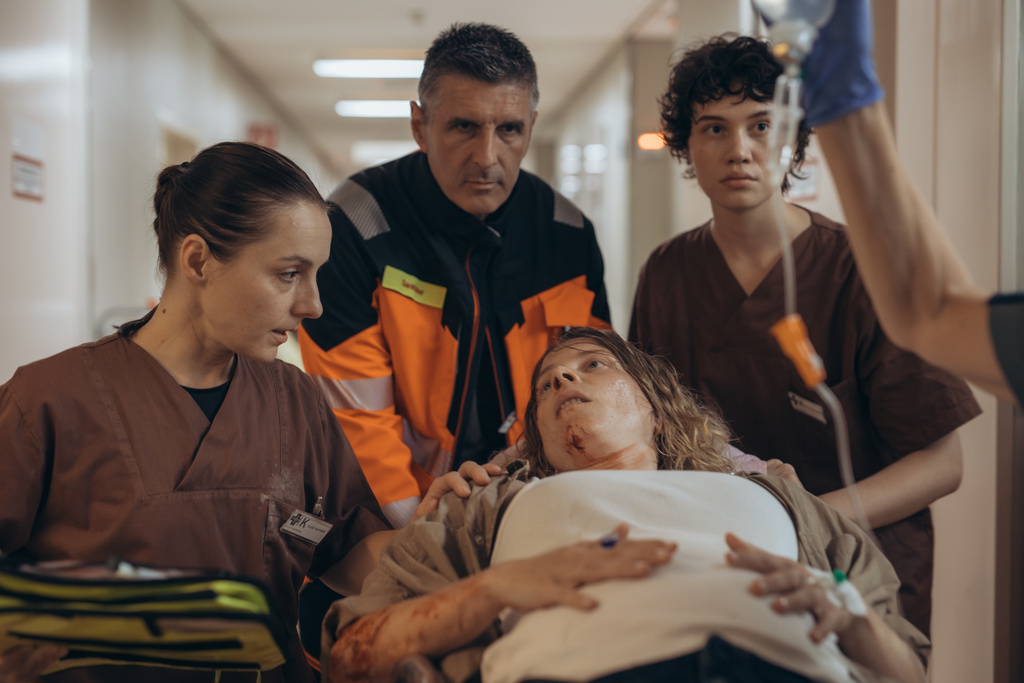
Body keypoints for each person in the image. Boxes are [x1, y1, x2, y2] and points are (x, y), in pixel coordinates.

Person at [320, 327, 928, 683]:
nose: (563, 381)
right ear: (539, 437)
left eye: (593, 366)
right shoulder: (489, 508)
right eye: (546, 384)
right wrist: (493, 589)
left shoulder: (779, 496)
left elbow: (910, 670)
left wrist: (852, 618)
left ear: (655, 408)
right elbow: (349, 655)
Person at [627, 34, 981, 637]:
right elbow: (650, 434)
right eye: (714, 129)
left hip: (857, 569)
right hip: (724, 564)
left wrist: (802, 516)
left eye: (762, 125)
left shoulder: (864, 269)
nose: (739, 150)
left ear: (795, 139)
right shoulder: (666, 274)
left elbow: (942, 463)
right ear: (686, 145)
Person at [0, 142, 393, 683]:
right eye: (289, 274)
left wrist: (452, 538)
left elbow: (346, 547)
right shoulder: (49, 400)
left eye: (316, 275)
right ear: (198, 261)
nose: (313, 305)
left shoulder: (295, 401)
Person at [297, 22, 610, 529]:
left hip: (539, 498)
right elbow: (356, 422)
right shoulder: (354, 226)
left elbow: (592, 395)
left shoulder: (567, 234)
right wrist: (419, 530)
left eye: (509, 130)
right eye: (464, 127)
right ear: (420, 125)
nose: (487, 158)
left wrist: (542, 508)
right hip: (399, 507)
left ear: (531, 127)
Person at [779, 0, 1024, 406]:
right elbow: (928, 312)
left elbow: (925, 313)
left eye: (761, 126)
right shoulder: (674, 265)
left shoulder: (841, 259)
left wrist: (842, 91)